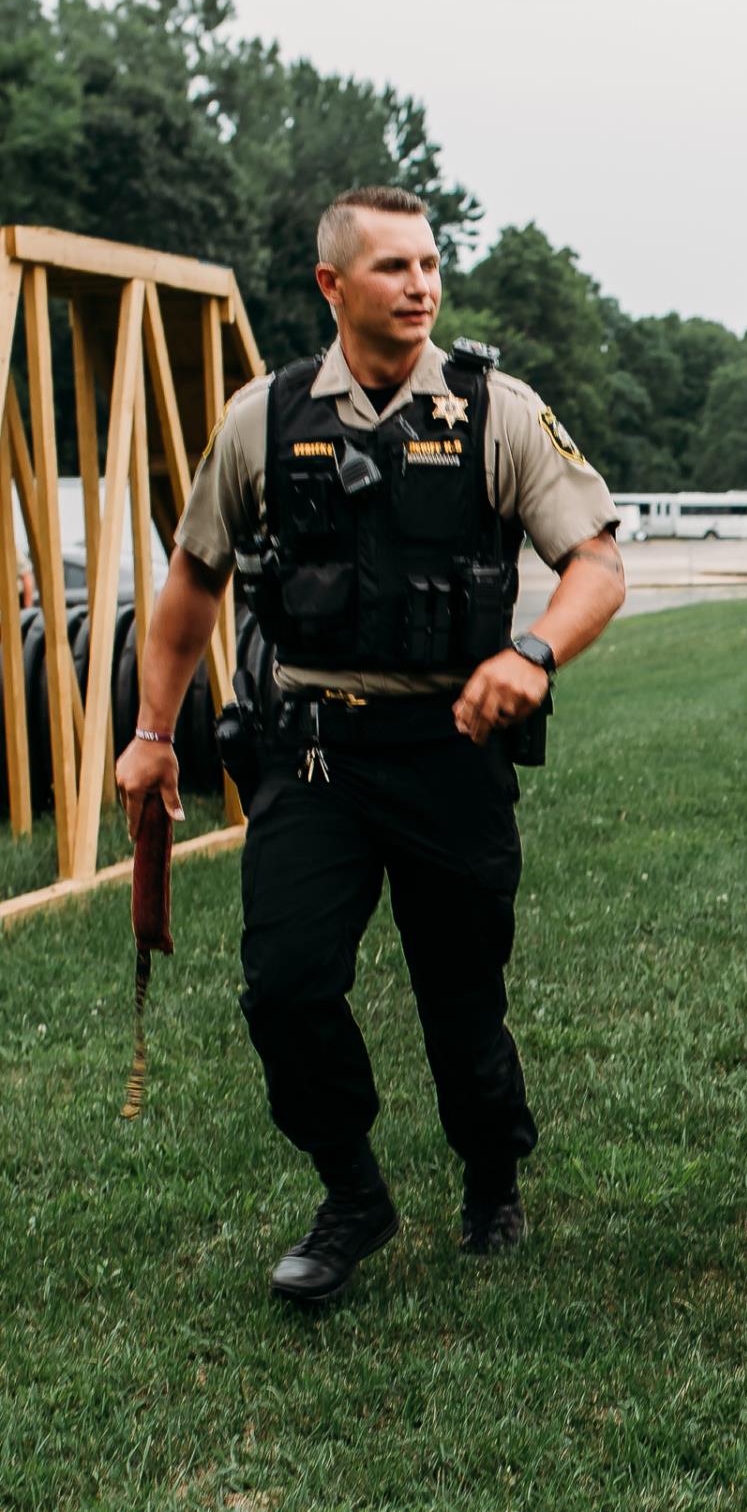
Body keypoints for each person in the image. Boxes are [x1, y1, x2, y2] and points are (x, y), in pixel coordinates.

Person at [115, 185, 628, 1305]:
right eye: (395, 267)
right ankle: (351, 1189)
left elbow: (597, 563)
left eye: (432, 264)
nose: (423, 285)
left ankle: (491, 1169)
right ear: (332, 285)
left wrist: (531, 654)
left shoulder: (497, 411)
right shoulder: (265, 415)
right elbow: (193, 577)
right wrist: (154, 734)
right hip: (312, 756)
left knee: (461, 998)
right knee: (285, 985)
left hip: (451, 749)